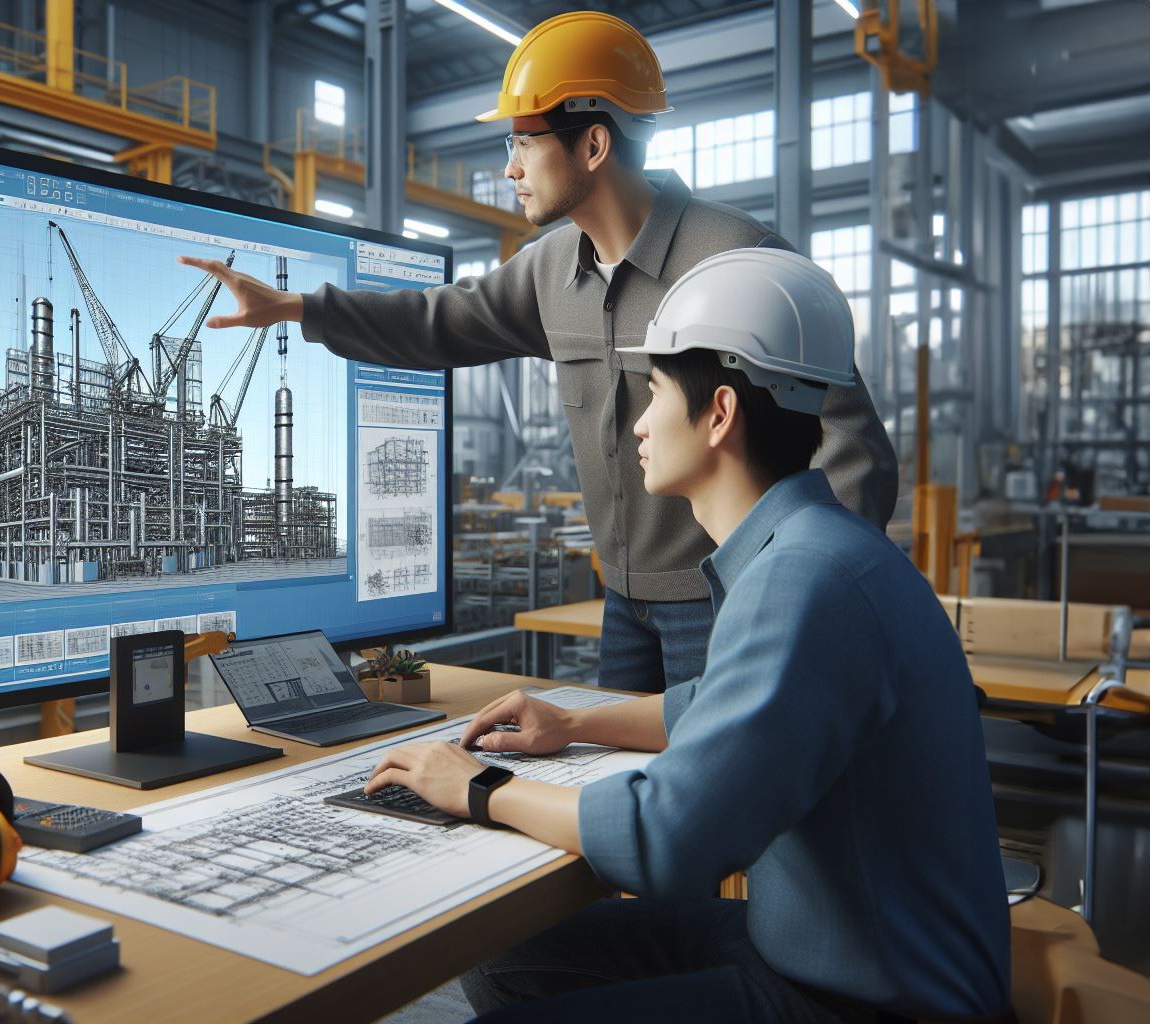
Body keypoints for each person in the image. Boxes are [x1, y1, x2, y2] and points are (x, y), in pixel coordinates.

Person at [363, 249, 1012, 1022]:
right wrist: (570, 723)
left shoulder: (804, 579)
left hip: (865, 1000)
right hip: (821, 945)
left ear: (719, 414)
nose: (637, 422)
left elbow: (667, 840)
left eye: (656, 392)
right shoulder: (820, 548)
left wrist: (475, 786)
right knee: (519, 957)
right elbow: (723, 705)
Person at [180, 10, 898, 695]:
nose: (510, 168)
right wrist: (299, 308)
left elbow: (850, 448)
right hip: (624, 602)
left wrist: (792, 596)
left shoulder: (734, 261)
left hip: (726, 602)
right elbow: (437, 322)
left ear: (591, 145)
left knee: (728, 806)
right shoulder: (551, 270)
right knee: (613, 784)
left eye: (524, 142)